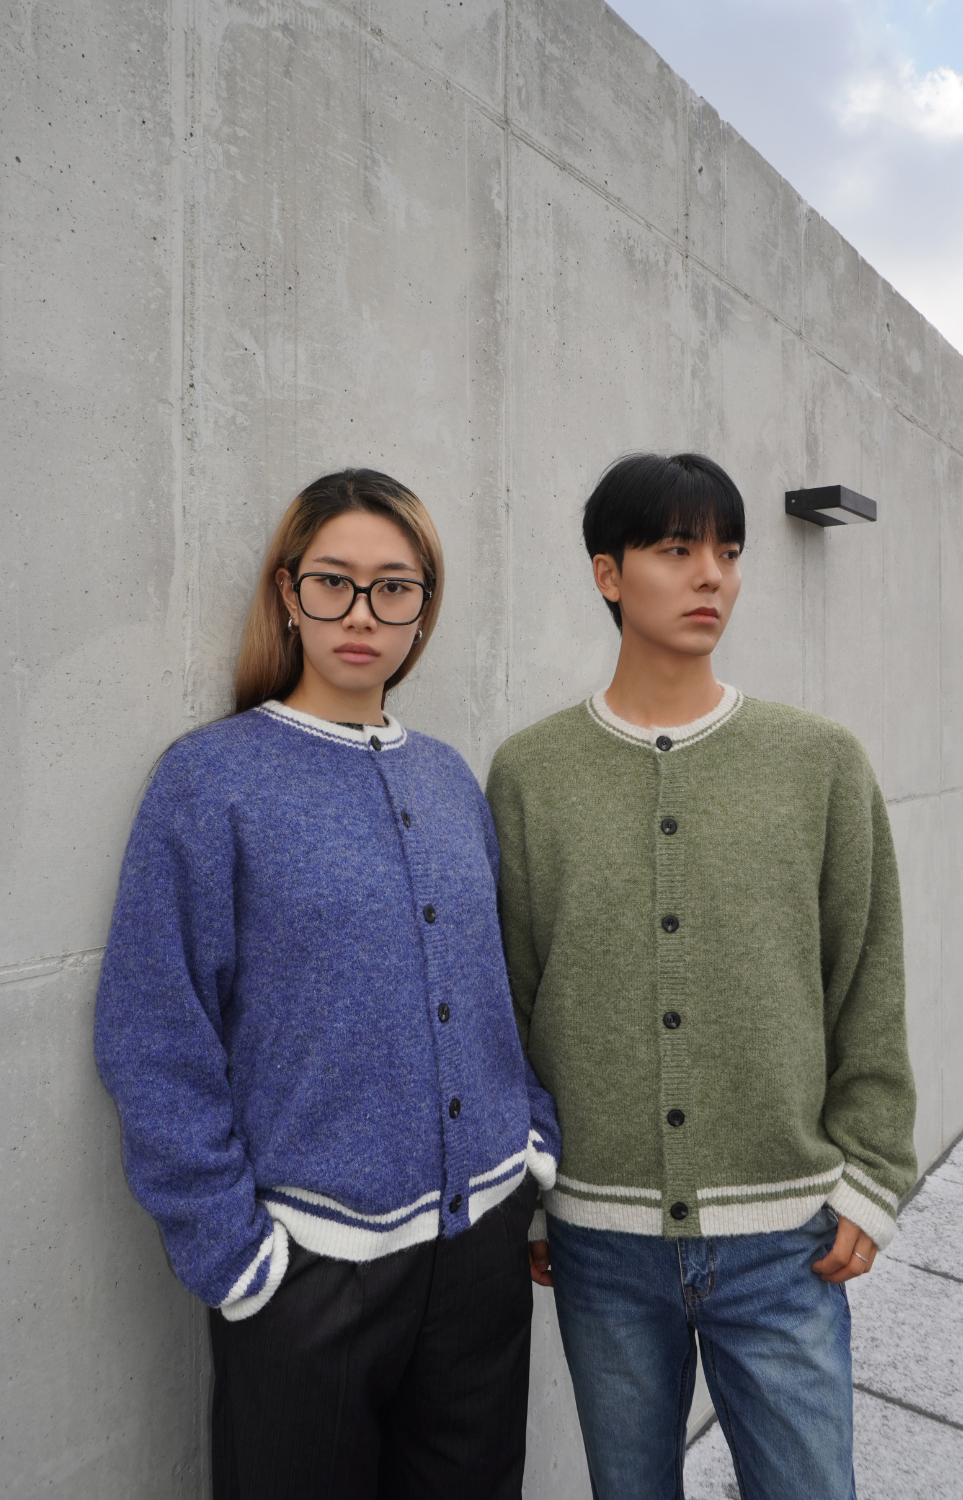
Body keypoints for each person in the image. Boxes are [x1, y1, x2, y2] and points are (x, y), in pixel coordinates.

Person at [94, 469, 560, 1500]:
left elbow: (493, 985)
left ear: (423, 609)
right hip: (309, 1274)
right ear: (287, 592)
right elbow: (153, 1029)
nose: (361, 613)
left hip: (481, 1255)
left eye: (393, 588)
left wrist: (530, 1142)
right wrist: (236, 1256)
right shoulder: (211, 779)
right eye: (333, 582)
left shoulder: (449, 778)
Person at [486, 452, 917, 1500]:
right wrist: (535, 1199)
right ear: (607, 573)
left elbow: (867, 974)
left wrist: (871, 1170)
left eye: (727, 550)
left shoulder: (819, 762)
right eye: (677, 549)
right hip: (599, 1244)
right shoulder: (530, 773)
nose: (712, 575)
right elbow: (511, 999)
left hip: (784, 1241)